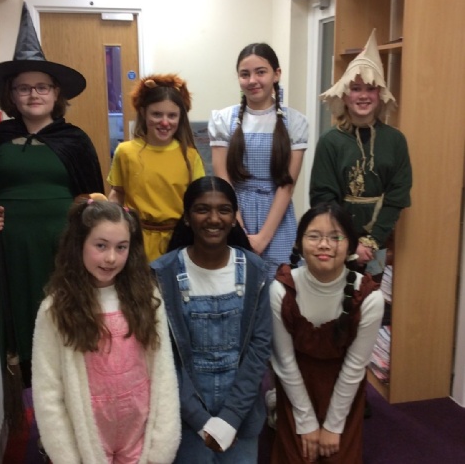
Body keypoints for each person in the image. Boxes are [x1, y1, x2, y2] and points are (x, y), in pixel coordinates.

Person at [0, 3, 103, 385]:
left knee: (65, 316)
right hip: (12, 246)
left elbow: (93, 196)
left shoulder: (74, 140)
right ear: (11, 94)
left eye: (42, 87)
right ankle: (26, 393)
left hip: (63, 243)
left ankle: (73, 388)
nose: (33, 94)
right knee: (21, 318)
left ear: (56, 92)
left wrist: (86, 221)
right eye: (23, 88)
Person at [32, 198, 180, 464]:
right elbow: (48, 392)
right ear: (79, 244)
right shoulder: (55, 310)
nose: (111, 258)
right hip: (87, 443)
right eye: (100, 246)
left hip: (140, 439)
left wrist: (160, 448)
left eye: (121, 247)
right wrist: (67, 456)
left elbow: (163, 372)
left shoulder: (147, 299)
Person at [151, 176, 272, 463]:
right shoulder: (162, 275)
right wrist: (200, 420)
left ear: (234, 218)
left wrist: (230, 418)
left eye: (224, 210)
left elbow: (260, 348)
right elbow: (162, 357)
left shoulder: (255, 271)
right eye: (202, 209)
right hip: (183, 416)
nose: (214, 218)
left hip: (242, 415)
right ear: (187, 217)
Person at [270, 202, 384, 463]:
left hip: (343, 388)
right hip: (295, 384)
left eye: (335, 237)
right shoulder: (281, 289)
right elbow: (284, 361)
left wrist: (333, 425)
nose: (324, 245)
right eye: (314, 236)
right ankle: (275, 406)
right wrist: (306, 421)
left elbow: (355, 366)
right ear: (299, 243)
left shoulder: (369, 297)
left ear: (351, 246)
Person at [310, 29, 412, 266]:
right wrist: (350, 242)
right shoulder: (330, 141)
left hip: (379, 243)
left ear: (380, 94)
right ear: (345, 95)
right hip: (336, 240)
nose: (363, 96)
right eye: (356, 88)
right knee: (338, 287)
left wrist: (372, 241)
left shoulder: (395, 141)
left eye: (370, 88)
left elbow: (397, 195)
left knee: (370, 288)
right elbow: (323, 197)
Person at [208, 43, 308, 279]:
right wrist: (240, 231)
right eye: (245, 74)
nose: (252, 80)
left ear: (276, 74)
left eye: (260, 72)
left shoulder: (295, 122)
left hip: (276, 219)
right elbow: (223, 181)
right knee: (233, 284)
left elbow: (287, 185)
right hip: (233, 215)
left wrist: (263, 237)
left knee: (277, 289)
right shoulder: (224, 119)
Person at [107, 74, 205, 261]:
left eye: (172, 115)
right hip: (134, 240)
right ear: (143, 113)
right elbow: (117, 193)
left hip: (179, 242)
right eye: (157, 114)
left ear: (180, 117)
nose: (165, 122)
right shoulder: (126, 152)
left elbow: (199, 202)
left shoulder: (190, 156)